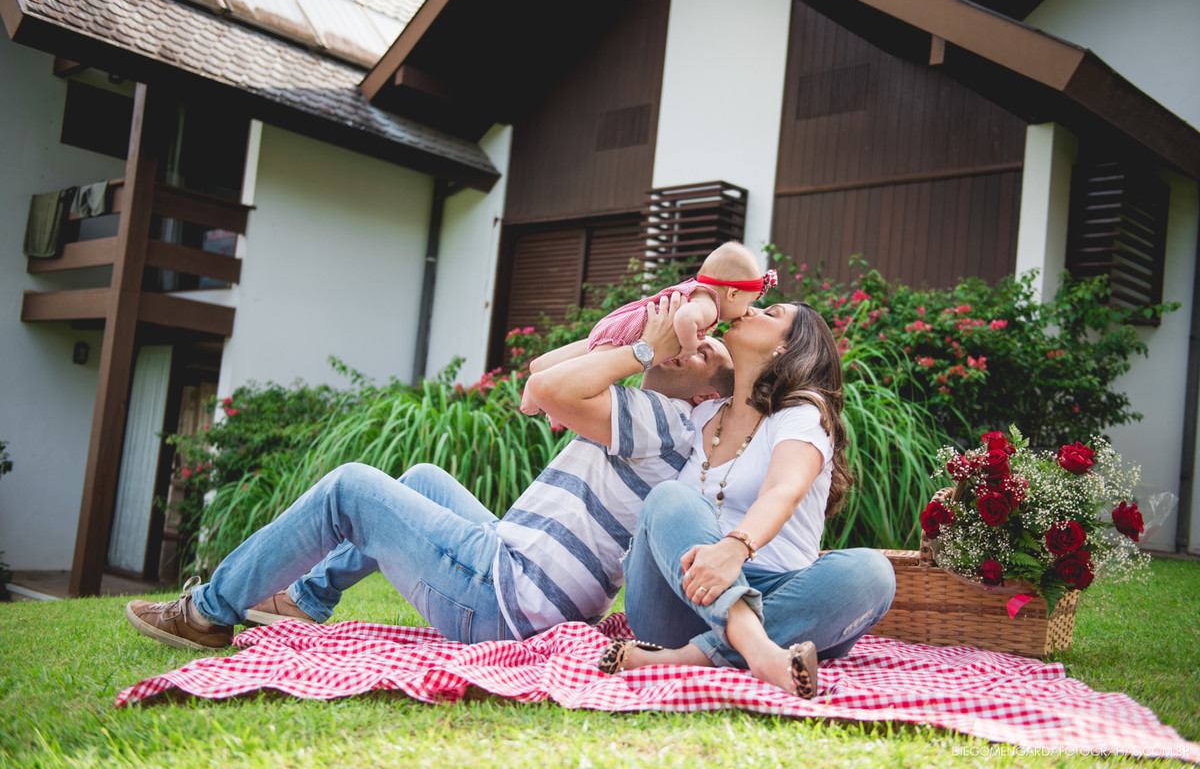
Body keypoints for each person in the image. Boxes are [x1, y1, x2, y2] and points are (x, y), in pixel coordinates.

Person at [125, 295, 734, 650]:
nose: (689, 343)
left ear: (707, 395)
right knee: (420, 477)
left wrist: (646, 349)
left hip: (507, 600)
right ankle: (308, 598)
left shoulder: (670, 420)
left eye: (704, 352)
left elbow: (546, 389)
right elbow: (538, 380)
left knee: (349, 489)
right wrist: (635, 324)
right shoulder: (662, 417)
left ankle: (207, 613)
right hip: (525, 586)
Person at [597, 302, 896, 699]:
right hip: (681, 593)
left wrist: (735, 548)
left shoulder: (801, 415)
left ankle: (688, 658)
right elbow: (583, 378)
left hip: (783, 598)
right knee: (670, 497)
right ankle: (758, 651)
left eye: (769, 314)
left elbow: (783, 490)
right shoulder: (700, 414)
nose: (749, 309)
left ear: (787, 349)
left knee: (872, 572)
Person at [520, 241, 776, 415]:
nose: (747, 311)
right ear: (732, 293)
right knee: (581, 372)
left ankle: (541, 388)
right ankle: (536, 389)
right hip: (633, 333)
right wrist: (689, 347)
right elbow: (686, 318)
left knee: (575, 366)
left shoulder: (696, 291)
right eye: (750, 303)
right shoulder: (709, 306)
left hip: (625, 323)